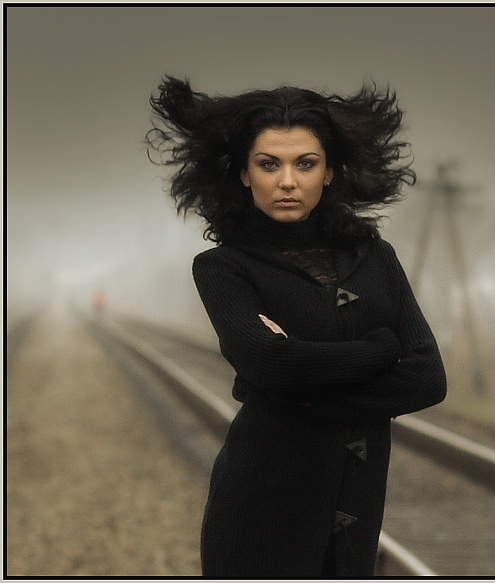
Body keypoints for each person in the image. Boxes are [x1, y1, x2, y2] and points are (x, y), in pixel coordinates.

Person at [146, 76, 447, 578]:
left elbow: (428, 378)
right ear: (244, 174)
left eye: (305, 164)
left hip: (358, 506)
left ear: (329, 173)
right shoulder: (224, 268)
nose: (288, 181)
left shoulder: (375, 257)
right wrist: (378, 349)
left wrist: (304, 393)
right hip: (260, 506)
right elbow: (271, 363)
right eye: (269, 164)